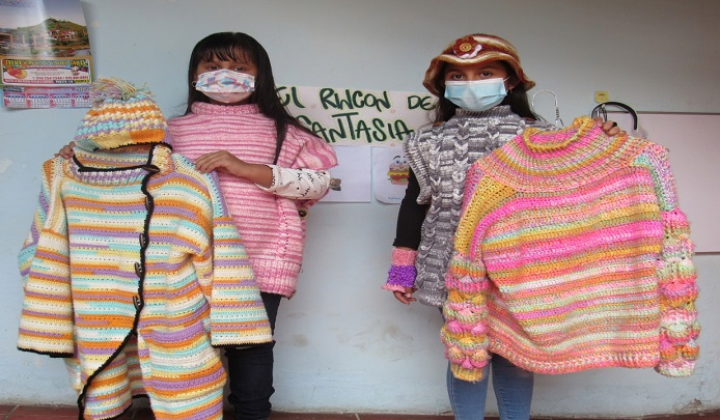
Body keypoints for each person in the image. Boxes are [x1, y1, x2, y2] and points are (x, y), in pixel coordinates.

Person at [57, 32, 338, 420]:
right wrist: (83, 154)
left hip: (261, 257)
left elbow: (319, 183)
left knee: (251, 345)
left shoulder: (284, 132)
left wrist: (245, 168)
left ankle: (252, 414)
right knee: (184, 344)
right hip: (180, 261)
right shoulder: (170, 130)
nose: (225, 75)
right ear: (194, 76)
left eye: (239, 68)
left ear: (261, 76)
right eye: (213, 67)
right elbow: (129, 169)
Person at [383, 33, 622, 420]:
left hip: (523, 266)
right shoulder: (425, 141)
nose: (471, 82)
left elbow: (577, 191)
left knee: (515, 356)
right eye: (458, 75)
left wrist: (602, 144)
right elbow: (414, 205)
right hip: (451, 263)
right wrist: (401, 267)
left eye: (485, 72)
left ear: (510, 81)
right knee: (466, 351)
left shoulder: (542, 137)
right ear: (443, 84)